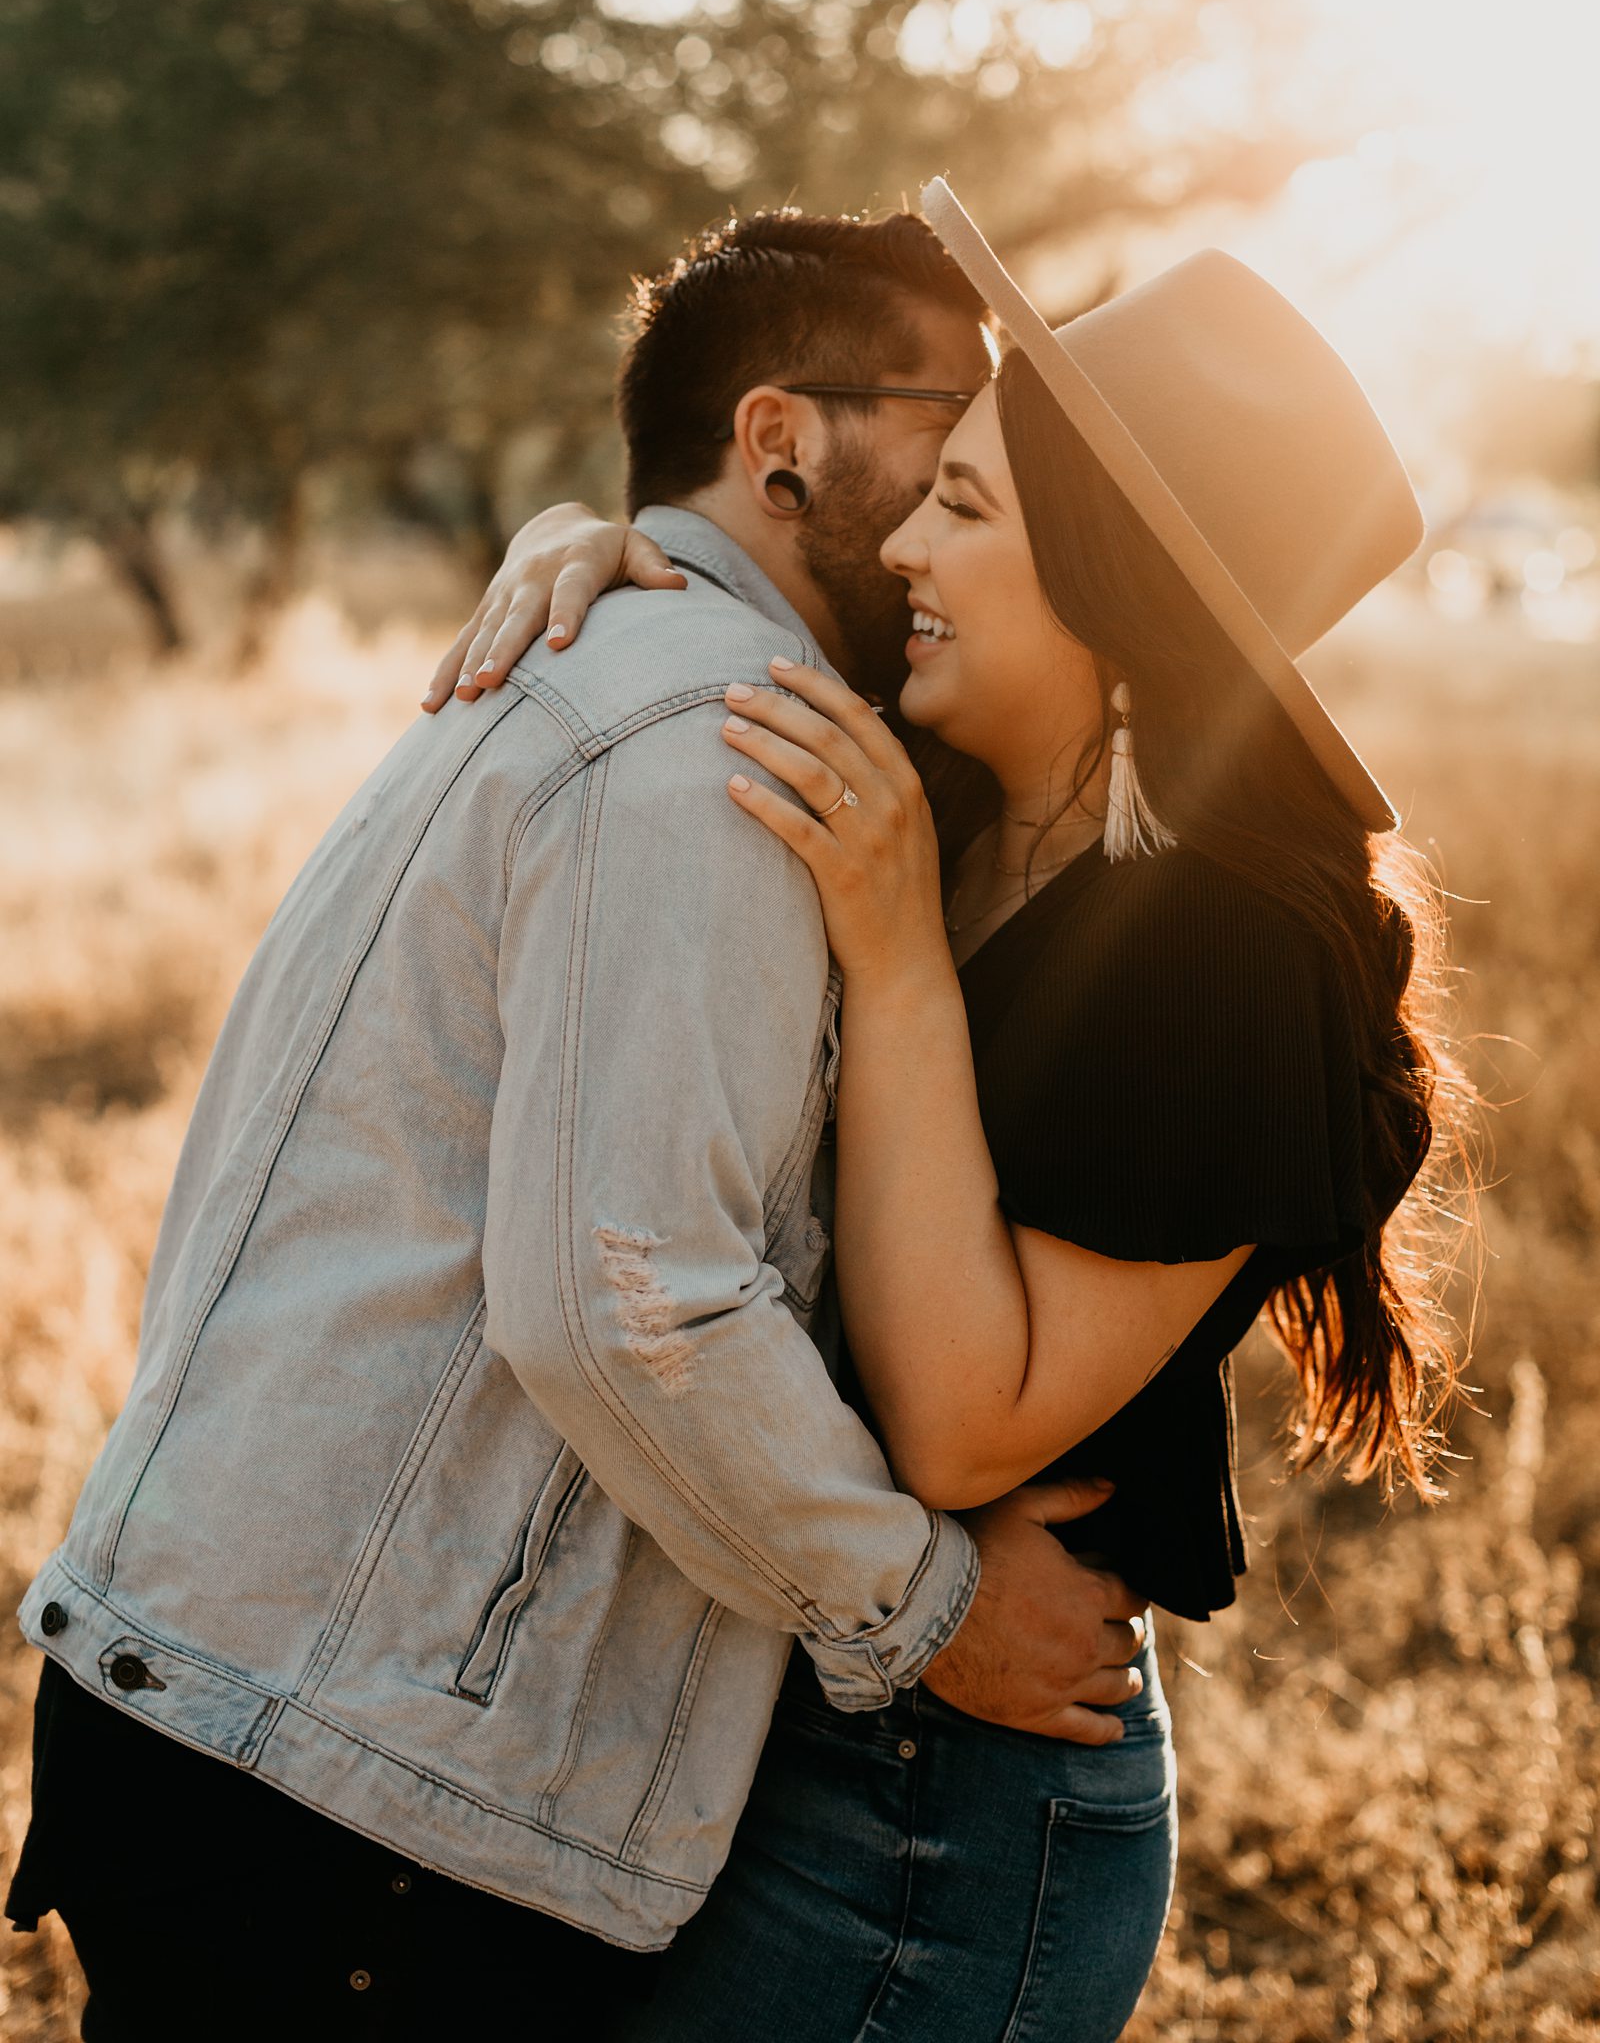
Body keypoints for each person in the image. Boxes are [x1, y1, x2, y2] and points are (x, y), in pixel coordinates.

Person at [6, 208, 1150, 2042]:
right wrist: (933, 1615)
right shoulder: (709, 750)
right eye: (939, 452)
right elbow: (632, 1306)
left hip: (250, 1702)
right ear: (783, 439)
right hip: (345, 1783)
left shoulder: (602, 661)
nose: (947, 515)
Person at [426, 180, 1471, 2043]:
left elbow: (963, 1422)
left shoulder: (1227, 957)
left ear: (1112, 591)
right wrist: (588, 544)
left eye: (967, 503)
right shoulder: (943, 787)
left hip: (951, 1811)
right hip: (769, 1709)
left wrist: (901, 964)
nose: (906, 536)